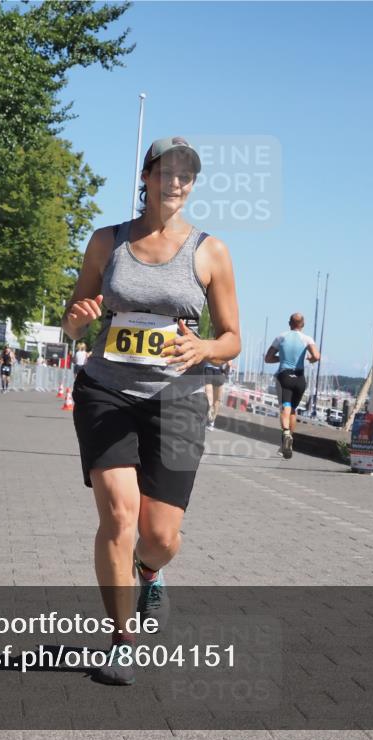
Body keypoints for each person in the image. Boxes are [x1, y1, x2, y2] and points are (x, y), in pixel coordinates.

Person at [61, 136, 240, 686]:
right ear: (146, 177)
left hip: (178, 398)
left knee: (159, 534)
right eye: (166, 171)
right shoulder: (106, 242)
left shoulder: (210, 252)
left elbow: (233, 338)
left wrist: (203, 349)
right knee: (118, 514)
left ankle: (149, 572)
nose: (177, 181)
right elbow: (73, 319)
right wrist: (79, 318)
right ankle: (122, 639)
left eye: (187, 173)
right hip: (107, 390)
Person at [264, 313, 319, 458]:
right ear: (303, 324)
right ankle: (288, 443)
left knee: (285, 408)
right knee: (293, 410)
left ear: (289, 323)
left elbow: (268, 358)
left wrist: (281, 358)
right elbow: (316, 356)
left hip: (285, 377)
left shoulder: (281, 337)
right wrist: (310, 359)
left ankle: (286, 434)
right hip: (300, 379)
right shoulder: (307, 339)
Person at [203, 361, 229, 430]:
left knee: (209, 395)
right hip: (219, 372)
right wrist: (226, 372)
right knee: (217, 400)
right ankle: (212, 421)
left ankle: (208, 413)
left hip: (208, 369)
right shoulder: (225, 350)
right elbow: (229, 363)